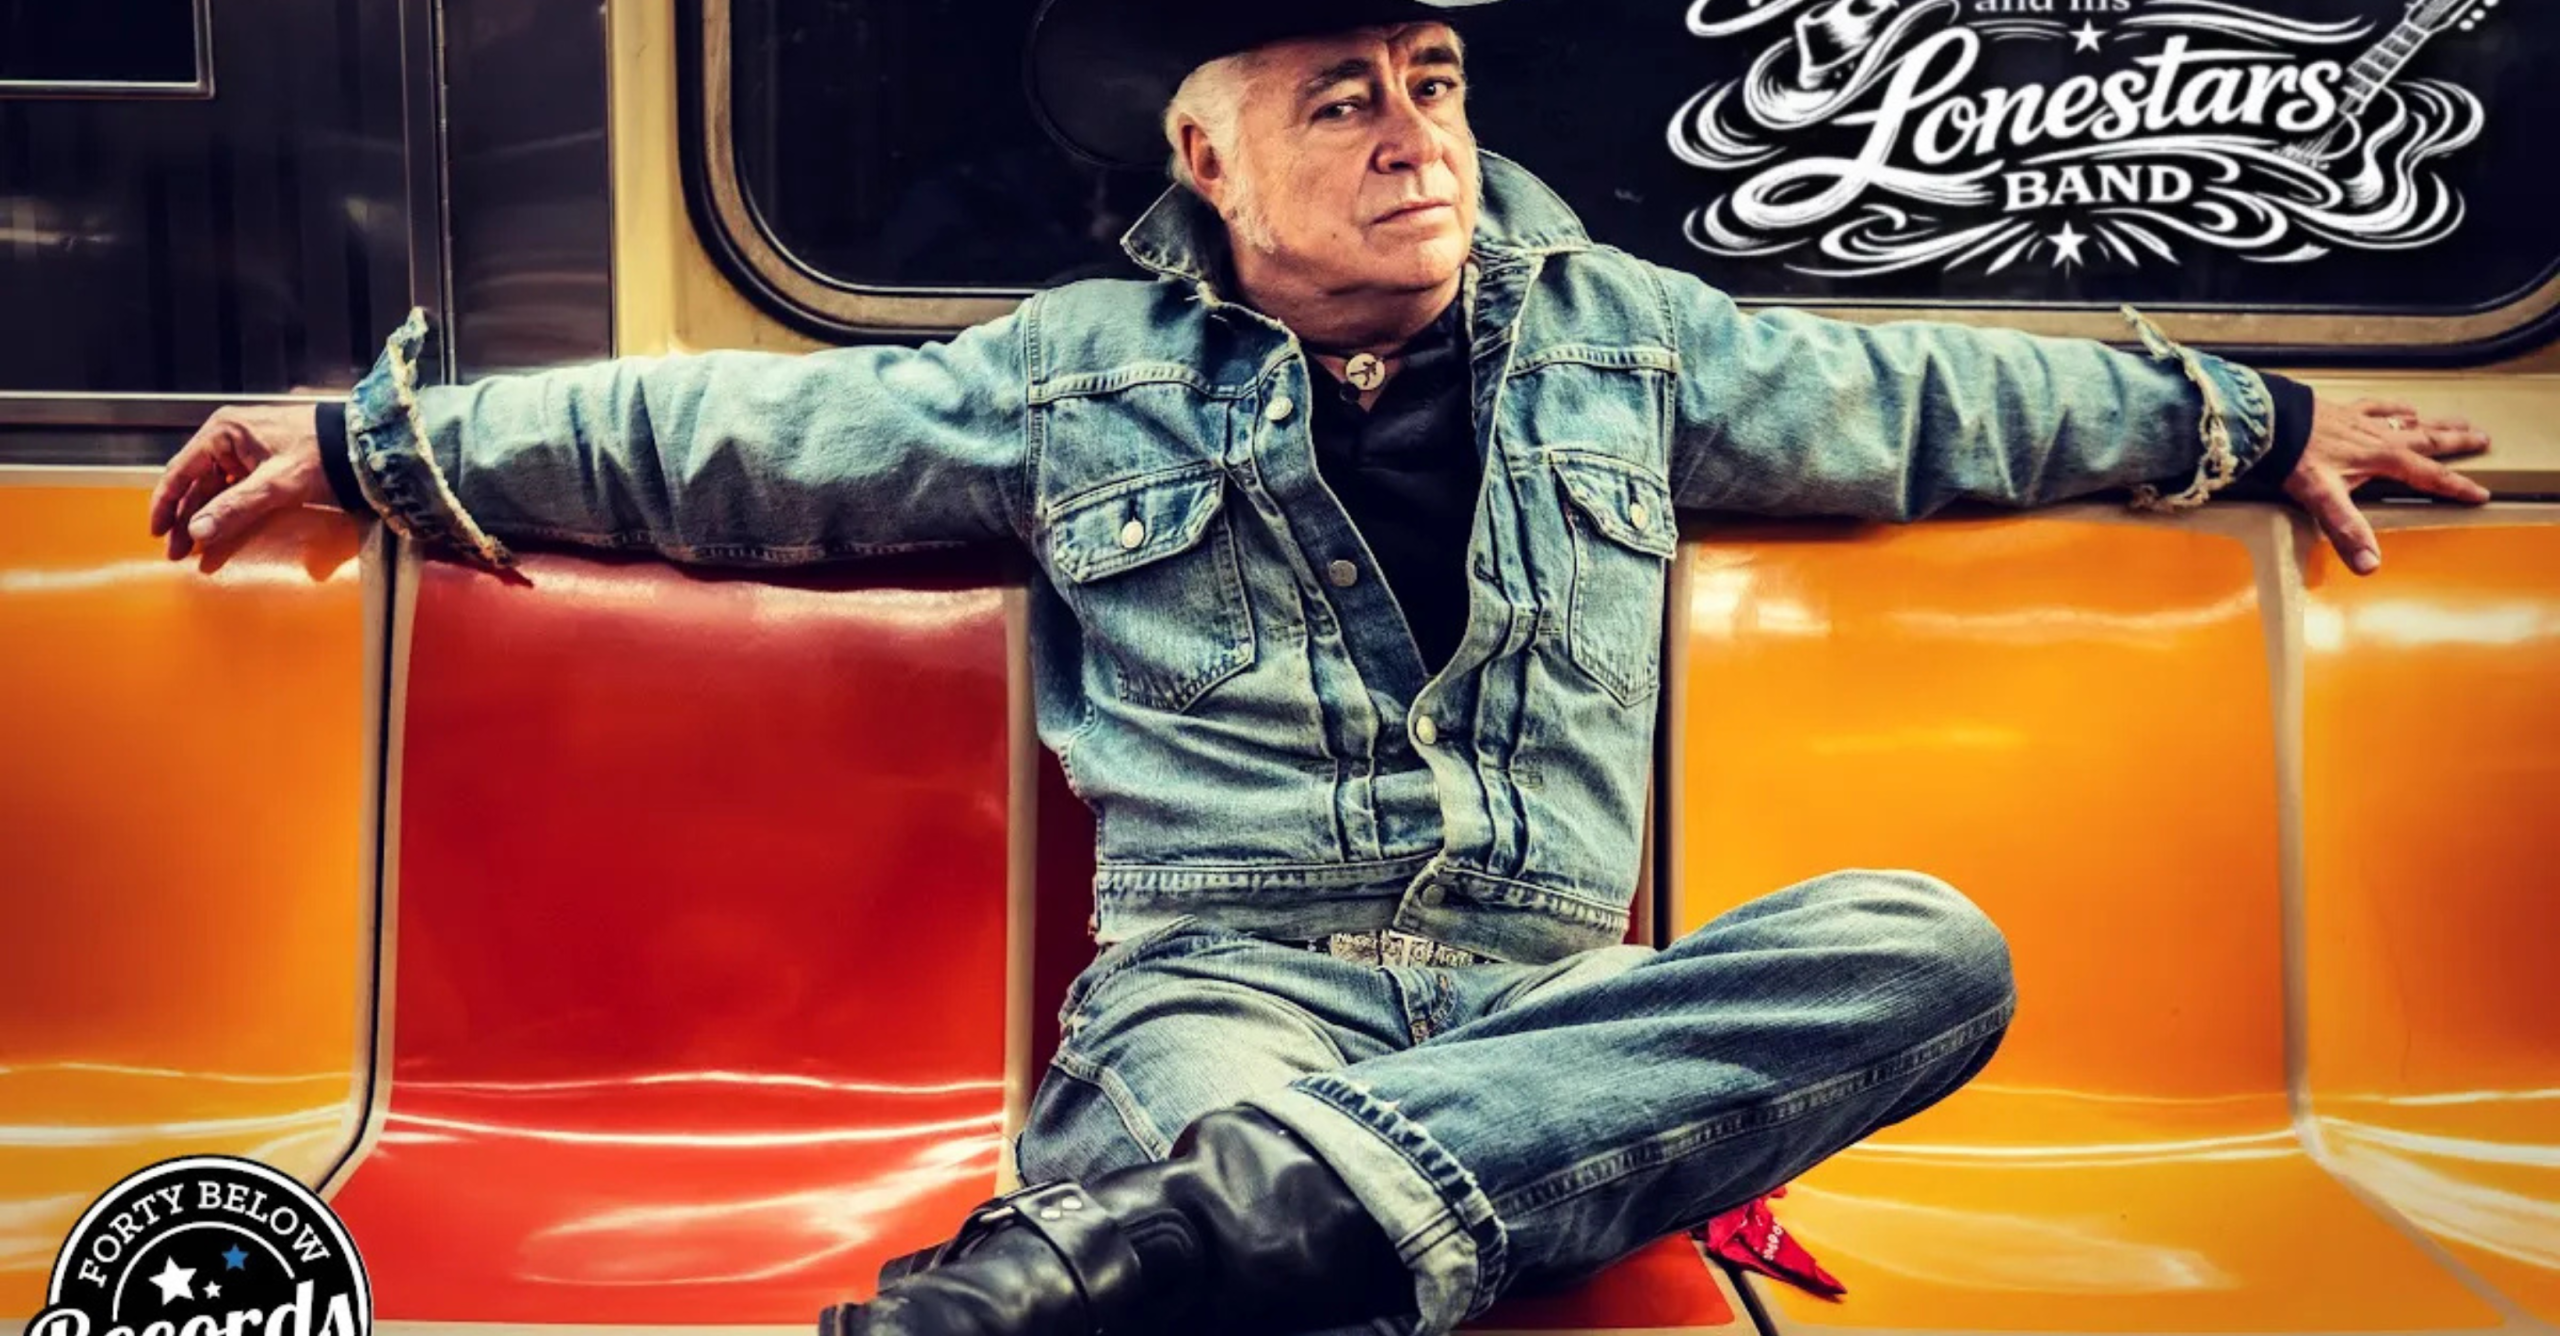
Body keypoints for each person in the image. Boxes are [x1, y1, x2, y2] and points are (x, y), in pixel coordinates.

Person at [146, 1, 2492, 1333]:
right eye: (1339, 97)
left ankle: (1147, 1259)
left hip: (1553, 1001)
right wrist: (369, 441)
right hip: (1226, 992)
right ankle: (1298, 1213)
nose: (1410, 135)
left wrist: (2255, 416)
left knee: (1924, 946)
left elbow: (1938, 398)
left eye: (1432, 78)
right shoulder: (1071, 373)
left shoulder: (1631, 341)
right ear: (1208, 150)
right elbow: (730, 439)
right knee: (1235, 1179)